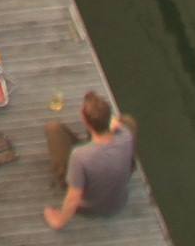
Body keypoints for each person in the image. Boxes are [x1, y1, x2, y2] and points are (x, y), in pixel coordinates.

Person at [44, 93, 137, 228]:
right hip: (118, 203)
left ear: (85, 121)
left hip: (89, 207)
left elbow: (73, 197)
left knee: (53, 128)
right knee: (128, 121)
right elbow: (120, 124)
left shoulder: (80, 156)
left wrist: (59, 221)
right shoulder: (126, 135)